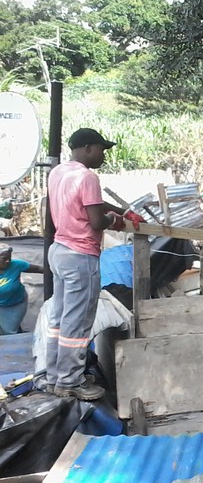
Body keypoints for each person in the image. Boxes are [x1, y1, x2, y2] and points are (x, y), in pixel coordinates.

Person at [46, 128, 145, 400]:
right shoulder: (88, 177)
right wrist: (116, 220)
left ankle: (54, 376)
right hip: (81, 256)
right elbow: (97, 221)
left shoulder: (58, 173)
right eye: (102, 149)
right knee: (77, 322)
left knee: (59, 318)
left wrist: (123, 210)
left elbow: (93, 204)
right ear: (88, 148)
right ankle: (70, 381)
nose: (104, 155)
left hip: (60, 250)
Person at [0, 243, 43, 335]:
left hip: (17, 304)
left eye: (9, 258)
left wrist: (56, 272)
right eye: (4, 259)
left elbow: (38, 269)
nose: (8, 261)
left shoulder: (16, 265)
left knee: (9, 331)